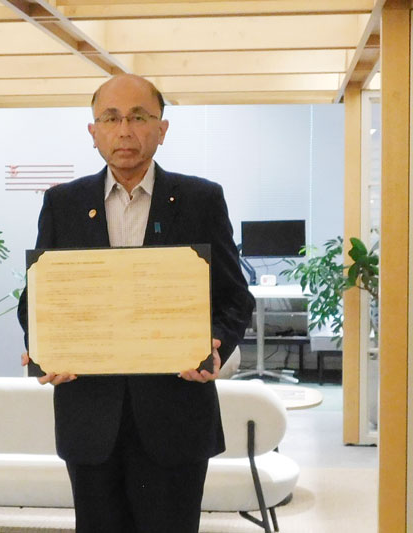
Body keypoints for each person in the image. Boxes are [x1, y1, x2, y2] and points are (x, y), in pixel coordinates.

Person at [17, 74, 255, 533]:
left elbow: (234, 297)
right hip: (90, 417)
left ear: (162, 129)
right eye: (111, 118)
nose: (124, 130)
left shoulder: (201, 199)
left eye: (139, 117)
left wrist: (215, 345)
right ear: (93, 132)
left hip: (176, 415)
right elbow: (37, 299)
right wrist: (43, 347)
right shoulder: (63, 203)